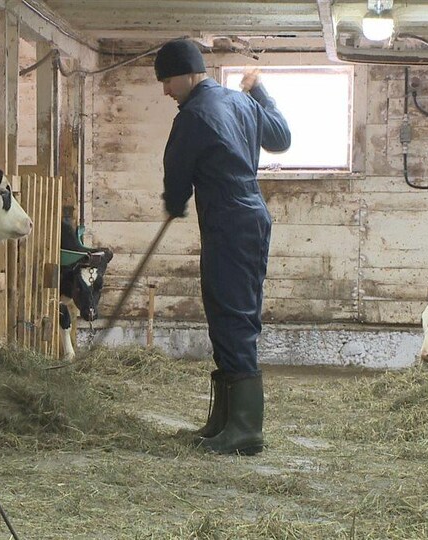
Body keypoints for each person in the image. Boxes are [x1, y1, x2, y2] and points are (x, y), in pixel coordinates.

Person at [155, 39, 291, 455]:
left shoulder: (194, 115)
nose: (165, 90)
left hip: (228, 220)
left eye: (166, 80)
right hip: (249, 215)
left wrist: (174, 203)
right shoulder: (240, 103)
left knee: (230, 313)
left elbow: (176, 171)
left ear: (188, 73)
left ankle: (246, 430)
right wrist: (258, 91)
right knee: (229, 310)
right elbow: (281, 138)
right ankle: (225, 419)